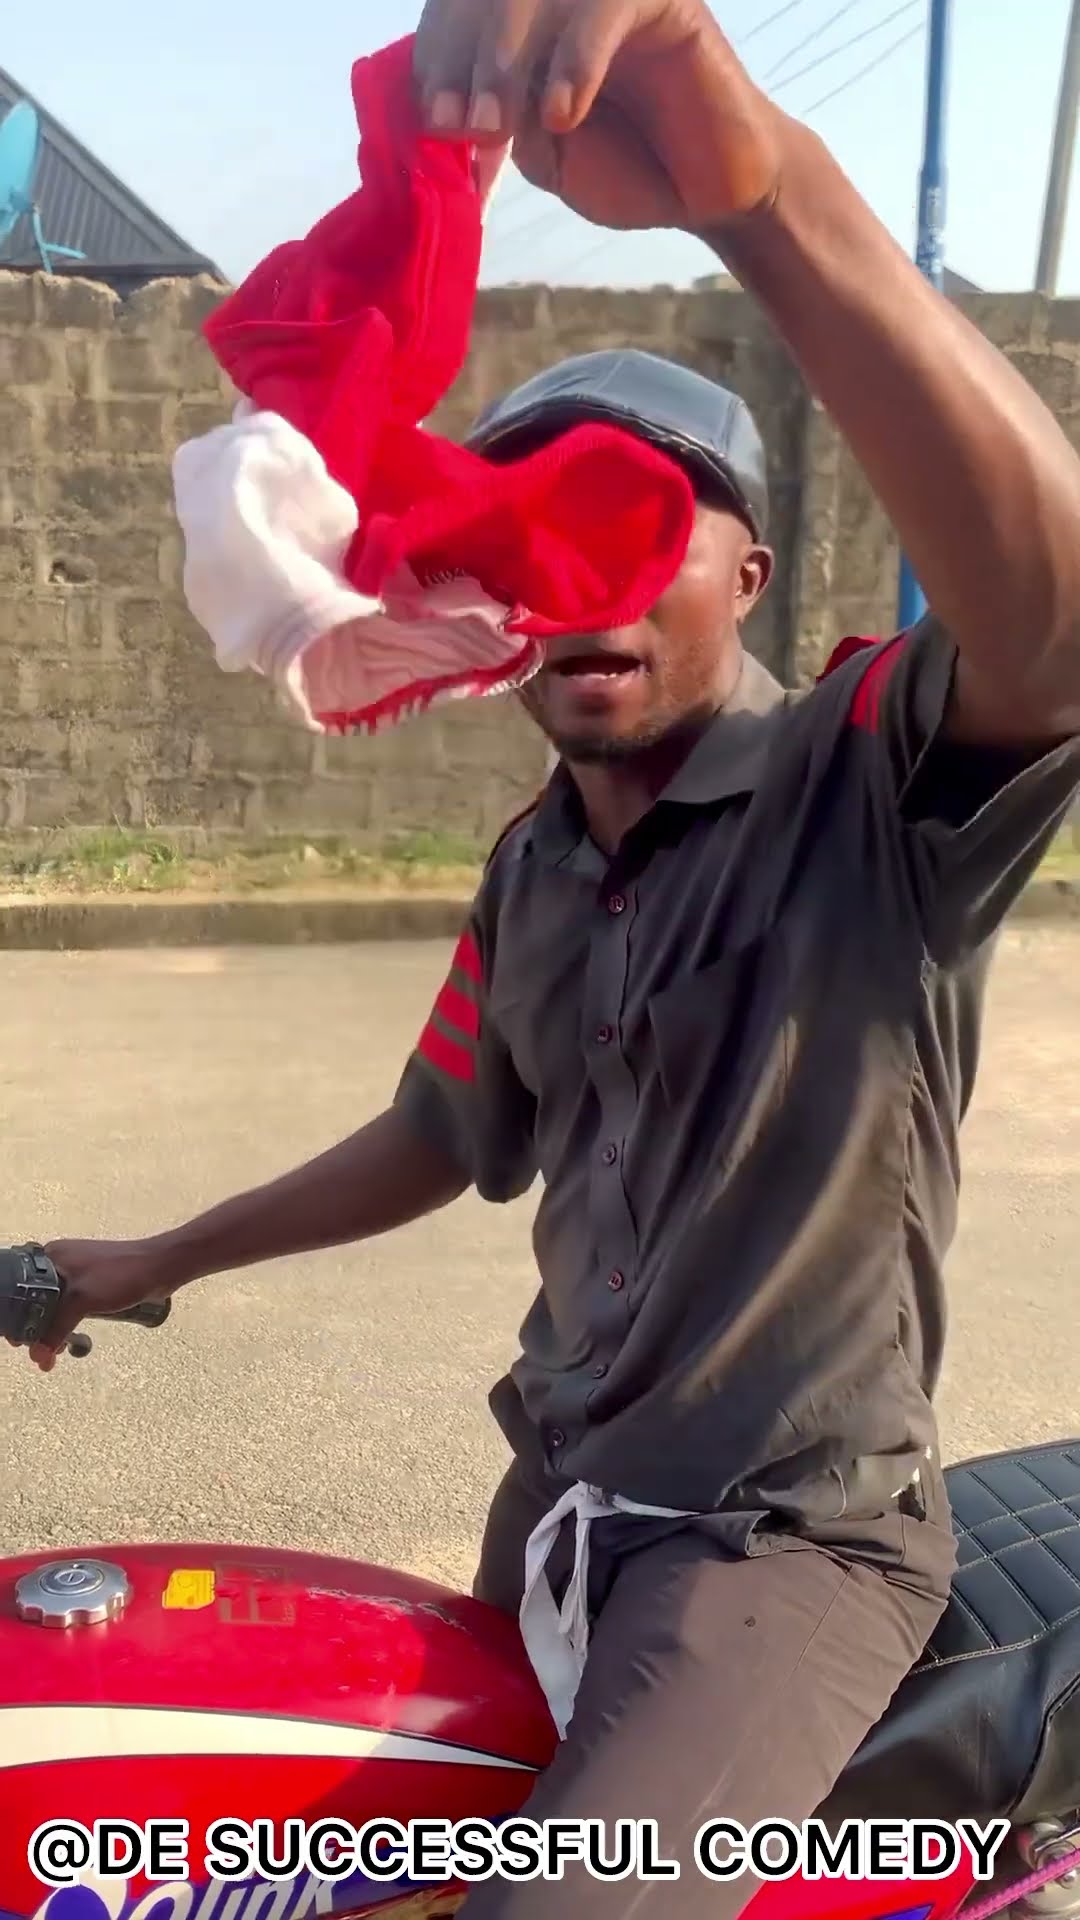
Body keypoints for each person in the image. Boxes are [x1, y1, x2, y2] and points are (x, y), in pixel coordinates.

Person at [17, 1, 1080, 1912]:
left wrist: (757, 193)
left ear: (747, 576)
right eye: (540, 515)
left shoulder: (867, 784)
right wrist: (156, 1253)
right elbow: (439, 1131)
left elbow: (1059, 620)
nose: (585, 564)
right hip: (567, 1511)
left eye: (645, 513)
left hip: (784, 1554)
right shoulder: (532, 867)